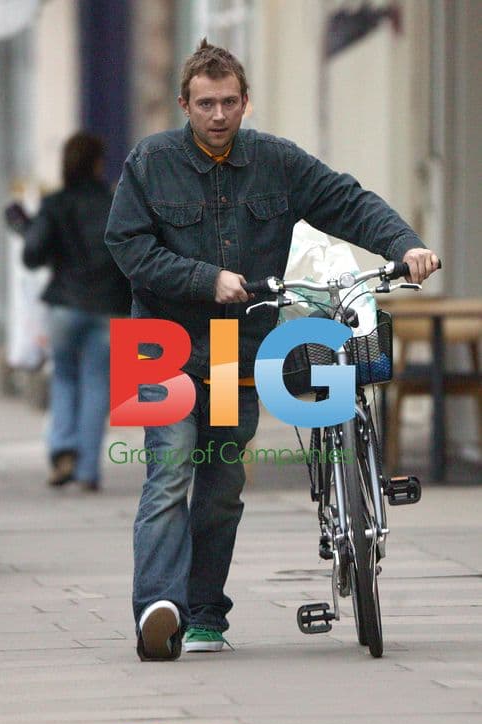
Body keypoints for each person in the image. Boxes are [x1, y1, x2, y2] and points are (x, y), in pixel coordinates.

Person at [105, 39, 440, 661]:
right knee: (169, 469)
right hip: (157, 342)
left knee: (222, 483)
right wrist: (207, 279)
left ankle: (205, 615)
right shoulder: (149, 161)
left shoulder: (275, 161)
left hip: (233, 345)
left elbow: (347, 201)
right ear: (185, 104)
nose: (218, 115)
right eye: (205, 103)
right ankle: (159, 607)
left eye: (229, 102)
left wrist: (405, 244)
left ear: (245, 101)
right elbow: (126, 246)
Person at [19, 132, 131, 490]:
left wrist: (25, 227)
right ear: (98, 163)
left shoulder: (55, 204)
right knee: (98, 382)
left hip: (64, 305)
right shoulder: (115, 203)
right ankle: (87, 471)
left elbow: (32, 255)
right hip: (109, 308)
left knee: (65, 377)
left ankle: (62, 449)